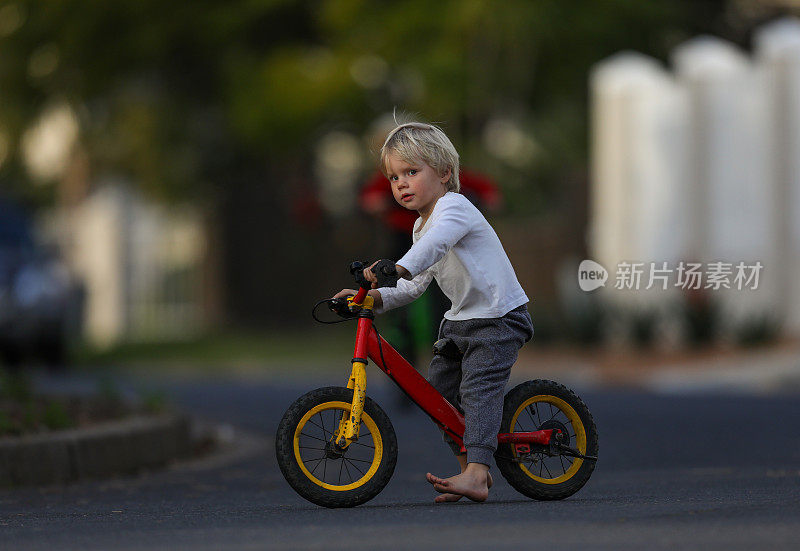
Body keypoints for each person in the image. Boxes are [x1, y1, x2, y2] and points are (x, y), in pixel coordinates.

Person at [334, 121, 533, 503]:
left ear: (444, 173)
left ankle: (478, 472)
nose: (401, 184)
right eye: (394, 177)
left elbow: (435, 247)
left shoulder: (455, 207)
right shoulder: (418, 227)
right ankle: (469, 472)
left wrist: (398, 265)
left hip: (498, 317)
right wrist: (373, 298)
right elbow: (413, 286)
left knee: (478, 388)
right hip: (461, 321)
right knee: (437, 393)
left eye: (411, 172)